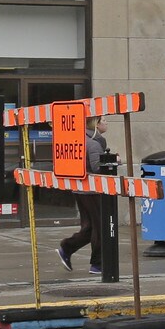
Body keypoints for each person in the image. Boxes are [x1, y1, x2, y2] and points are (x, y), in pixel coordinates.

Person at [56, 115, 110, 273]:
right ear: (96, 124)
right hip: (91, 190)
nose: (107, 123)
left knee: (90, 227)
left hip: (79, 189)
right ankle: (98, 264)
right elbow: (97, 168)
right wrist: (114, 160)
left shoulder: (79, 139)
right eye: (104, 120)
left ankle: (67, 247)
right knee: (100, 227)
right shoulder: (93, 144)